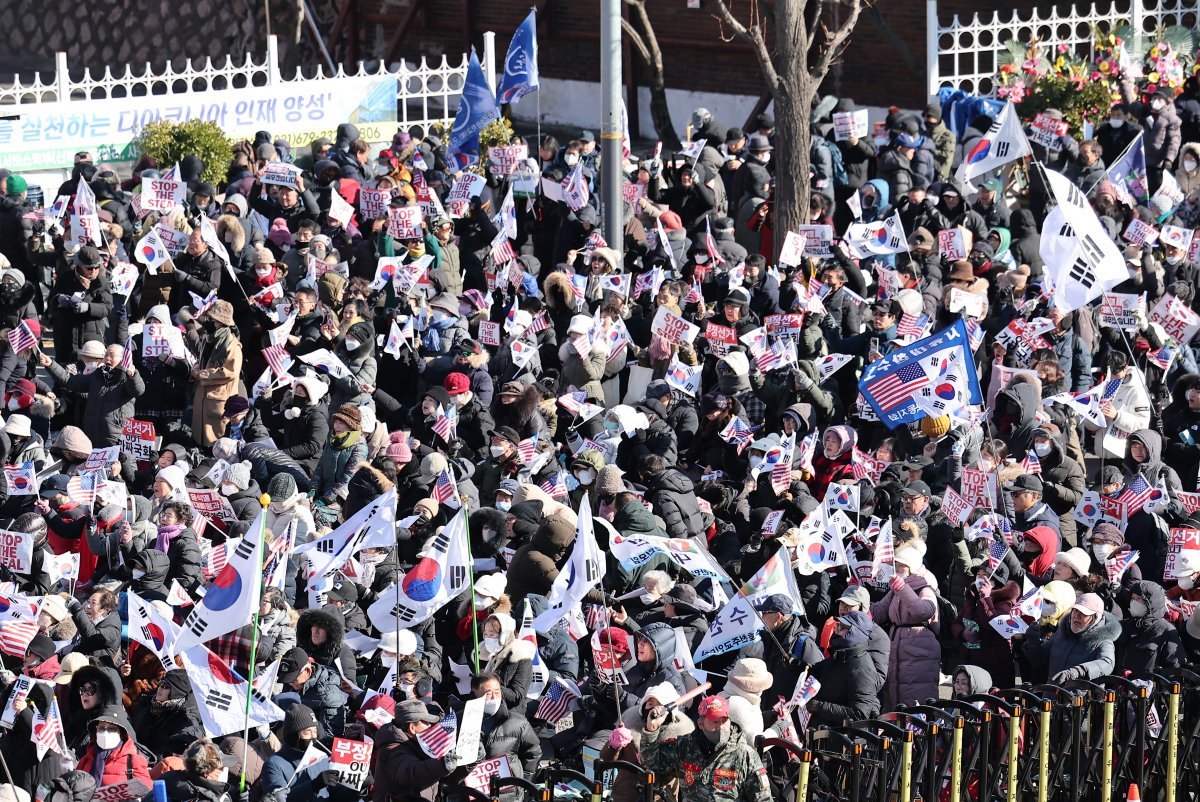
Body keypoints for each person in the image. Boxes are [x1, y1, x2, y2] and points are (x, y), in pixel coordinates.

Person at [640, 695, 772, 802]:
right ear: (701, 723)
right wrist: (651, 728)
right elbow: (651, 762)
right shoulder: (685, 746)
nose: (721, 726)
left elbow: (763, 798)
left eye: (724, 720)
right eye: (714, 721)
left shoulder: (745, 755)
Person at [372, 700, 457, 802]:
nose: (430, 726)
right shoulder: (391, 749)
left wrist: (470, 762)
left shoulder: (420, 746)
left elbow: (446, 778)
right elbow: (411, 772)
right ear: (412, 728)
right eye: (426, 722)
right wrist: (442, 765)